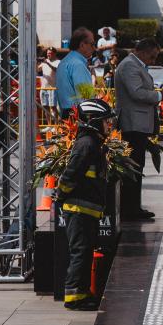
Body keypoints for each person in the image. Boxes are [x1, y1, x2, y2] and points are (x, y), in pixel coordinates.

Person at [56, 98, 116, 311]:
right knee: (80, 252)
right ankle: (73, 298)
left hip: (87, 209)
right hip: (79, 209)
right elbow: (71, 173)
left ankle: (82, 293)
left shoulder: (93, 143)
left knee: (85, 251)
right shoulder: (86, 144)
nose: (109, 125)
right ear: (93, 121)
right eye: (105, 121)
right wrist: (61, 194)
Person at [114, 38, 163, 220]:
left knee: (136, 165)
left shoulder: (134, 65)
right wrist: (158, 95)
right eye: (152, 56)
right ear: (143, 51)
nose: (153, 61)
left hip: (137, 123)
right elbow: (136, 92)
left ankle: (133, 206)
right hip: (132, 124)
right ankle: (130, 208)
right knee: (133, 166)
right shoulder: (130, 65)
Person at [55, 28, 96, 119]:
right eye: (92, 44)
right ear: (82, 45)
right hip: (78, 114)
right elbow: (86, 97)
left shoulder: (65, 61)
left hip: (67, 113)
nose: (94, 48)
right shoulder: (78, 64)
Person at [37, 47, 61, 117]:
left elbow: (56, 69)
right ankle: (49, 123)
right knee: (45, 107)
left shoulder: (58, 62)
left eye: (50, 53)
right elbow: (37, 70)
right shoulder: (44, 62)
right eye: (47, 53)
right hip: (44, 88)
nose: (48, 55)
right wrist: (35, 61)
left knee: (53, 107)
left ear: (55, 54)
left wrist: (48, 63)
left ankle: (56, 123)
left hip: (52, 88)